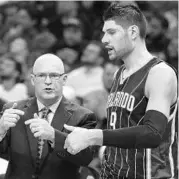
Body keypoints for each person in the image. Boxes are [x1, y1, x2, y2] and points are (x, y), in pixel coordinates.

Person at [63, 3, 178, 179]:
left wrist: (93, 136)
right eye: (103, 33)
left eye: (111, 32)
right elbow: (118, 132)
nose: (104, 39)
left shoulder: (159, 73)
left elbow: (153, 133)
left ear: (132, 32)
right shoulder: (118, 74)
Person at [0, 53, 96, 179]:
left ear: (64, 79)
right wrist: (0, 131)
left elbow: (85, 158)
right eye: (41, 75)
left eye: (54, 75)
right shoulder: (12, 110)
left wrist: (53, 136)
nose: (48, 81)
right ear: (33, 80)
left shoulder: (83, 116)